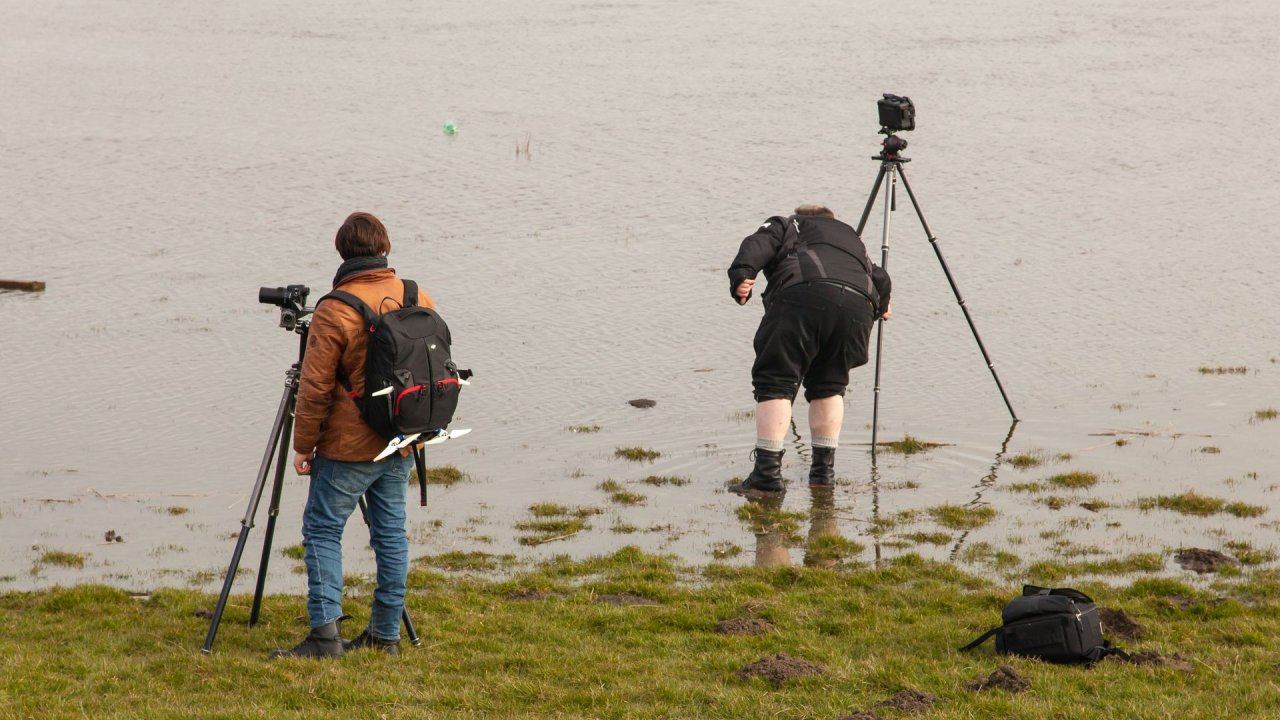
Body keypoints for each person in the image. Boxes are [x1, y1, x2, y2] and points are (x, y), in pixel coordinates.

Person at [271, 211, 435, 659]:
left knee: (322, 529)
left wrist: (303, 445)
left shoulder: (336, 307)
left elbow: (315, 385)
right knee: (390, 534)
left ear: (342, 251)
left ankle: (325, 637)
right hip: (402, 438)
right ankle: (385, 635)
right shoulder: (415, 294)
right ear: (384, 246)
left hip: (348, 446)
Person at [727, 204, 891, 495]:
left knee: (775, 382)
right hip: (857, 304)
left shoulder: (788, 224)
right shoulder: (851, 238)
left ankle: (766, 477)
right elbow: (880, 277)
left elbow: (757, 244)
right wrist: (882, 305)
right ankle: (822, 475)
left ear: (803, 216)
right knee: (830, 385)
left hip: (802, 294)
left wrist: (742, 274)